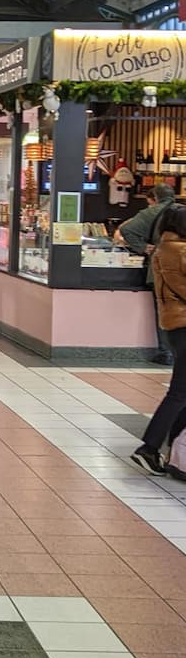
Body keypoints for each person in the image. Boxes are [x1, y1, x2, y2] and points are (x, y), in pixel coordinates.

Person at [132, 204, 186, 475]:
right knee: (179, 393)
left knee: (182, 393)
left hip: (174, 326)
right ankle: (150, 448)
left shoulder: (162, 249)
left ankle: (174, 450)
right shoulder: (181, 251)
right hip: (185, 325)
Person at [118, 184, 176, 365]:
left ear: (154, 198)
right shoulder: (181, 212)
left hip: (161, 269)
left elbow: (126, 230)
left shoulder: (151, 213)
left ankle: (166, 352)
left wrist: (143, 247)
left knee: (164, 311)